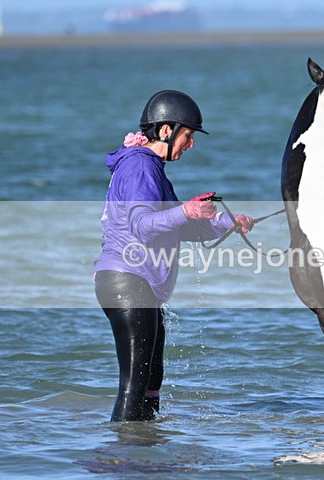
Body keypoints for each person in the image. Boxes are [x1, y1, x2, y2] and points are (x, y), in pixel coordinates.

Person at [94, 89, 254, 422]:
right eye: (188, 135)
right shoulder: (140, 166)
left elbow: (176, 228)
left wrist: (228, 224)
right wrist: (185, 210)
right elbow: (142, 226)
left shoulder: (150, 167)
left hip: (137, 285)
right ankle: (123, 451)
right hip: (128, 281)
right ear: (166, 130)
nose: (191, 144)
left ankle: (148, 447)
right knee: (134, 387)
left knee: (151, 384)